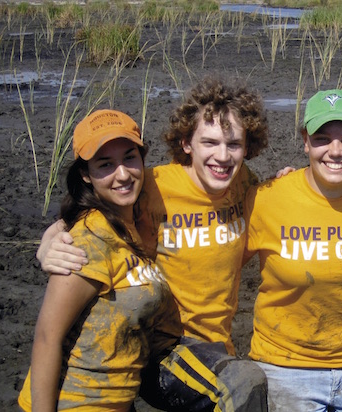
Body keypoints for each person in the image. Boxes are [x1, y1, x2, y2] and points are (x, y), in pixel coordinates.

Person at [35, 77, 269, 411]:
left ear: (247, 147)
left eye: (233, 144)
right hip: (162, 348)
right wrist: (50, 238)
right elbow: (96, 213)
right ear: (187, 143)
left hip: (215, 349)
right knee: (244, 384)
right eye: (210, 142)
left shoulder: (245, 183)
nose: (222, 155)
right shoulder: (153, 186)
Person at [243, 88, 342, 411]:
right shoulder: (266, 199)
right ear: (305, 141)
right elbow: (219, 266)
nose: (336, 150)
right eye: (323, 138)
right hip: (284, 368)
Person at [18, 109, 179, 411]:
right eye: (105, 164)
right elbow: (46, 338)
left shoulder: (133, 220)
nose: (122, 174)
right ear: (85, 174)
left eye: (130, 158)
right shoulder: (87, 240)